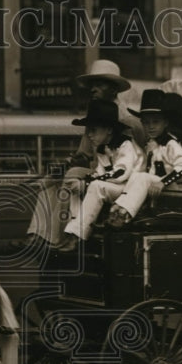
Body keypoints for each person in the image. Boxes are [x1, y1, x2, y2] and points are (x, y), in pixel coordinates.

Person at [26, 59, 138, 247]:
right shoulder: (95, 115)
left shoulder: (128, 120)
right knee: (51, 184)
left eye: (99, 85)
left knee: (71, 177)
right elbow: (83, 154)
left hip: (120, 179)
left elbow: (135, 160)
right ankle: (37, 235)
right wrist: (54, 173)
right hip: (98, 173)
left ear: (113, 89)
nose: (93, 89)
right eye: (92, 85)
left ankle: (59, 236)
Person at [55, 98, 144, 251]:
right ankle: (73, 229)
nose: (89, 135)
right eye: (88, 130)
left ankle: (78, 235)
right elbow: (100, 173)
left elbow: (120, 174)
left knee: (95, 186)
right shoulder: (103, 149)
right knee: (76, 184)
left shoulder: (126, 145)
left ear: (109, 130)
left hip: (129, 191)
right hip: (116, 188)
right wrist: (83, 183)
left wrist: (87, 183)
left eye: (93, 130)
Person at [107, 90, 182, 228]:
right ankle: (117, 208)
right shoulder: (151, 144)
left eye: (156, 122)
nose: (150, 126)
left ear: (165, 123)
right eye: (146, 123)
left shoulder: (170, 143)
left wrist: (163, 183)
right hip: (159, 190)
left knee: (142, 178)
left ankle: (124, 213)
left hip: (177, 190)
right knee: (136, 175)